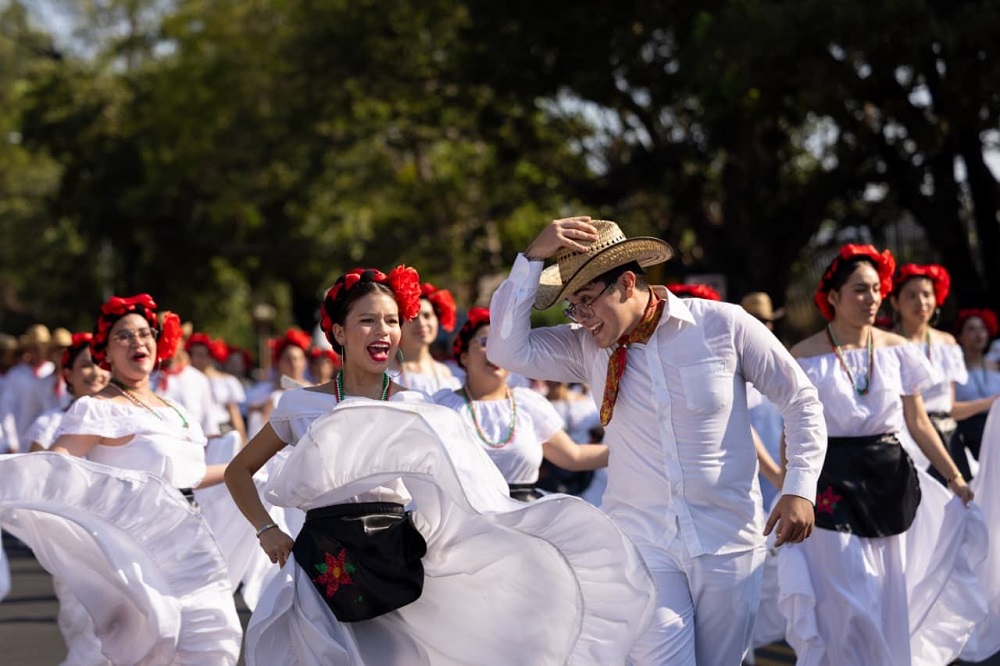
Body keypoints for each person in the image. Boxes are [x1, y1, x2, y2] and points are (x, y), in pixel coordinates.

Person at [225, 266, 654, 665]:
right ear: (338, 331)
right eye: (368, 320)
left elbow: (461, 489)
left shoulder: (415, 405)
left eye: (393, 321)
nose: (384, 331)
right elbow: (237, 471)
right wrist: (268, 530)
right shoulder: (301, 405)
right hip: (321, 566)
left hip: (392, 563)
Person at [487, 216, 828, 665]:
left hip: (726, 540)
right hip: (642, 543)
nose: (581, 317)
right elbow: (504, 350)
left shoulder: (724, 325)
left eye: (587, 300)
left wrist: (800, 486)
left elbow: (801, 400)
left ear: (627, 284)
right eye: (572, 306)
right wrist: (532, 258)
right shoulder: (584, 348)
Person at [0, 294, 242, 664]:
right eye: (124, 336)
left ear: (157, 343)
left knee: (213, 641)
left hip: (191, 544)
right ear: (106, 354)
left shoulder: (176, 411)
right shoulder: (98, 409)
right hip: (133, 552)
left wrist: (253, 465)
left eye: (144, 333)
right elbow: (55, 467)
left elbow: (190, 476)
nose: (137, 342)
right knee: (155, 641)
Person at [777, 245, 978, 665]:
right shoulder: (804, 355)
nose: (871, 299)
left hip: (889, 481)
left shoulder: (897, 349)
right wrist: (788, 491)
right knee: (848, 599)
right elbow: (791, 432)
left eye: (876, 289)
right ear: (832, 296)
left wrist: (955, 477)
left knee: (887, 593)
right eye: (859, 290)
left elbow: (919, 422)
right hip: (828, 482)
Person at [433, 307, 608, 501]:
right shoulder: (443, 407)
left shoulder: (527, 403)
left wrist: (635, 449)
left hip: (522, 517)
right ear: (464, 356)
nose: (494, 351)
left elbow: (574, 456)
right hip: (464, 517)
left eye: (501, 345)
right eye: (485, 342)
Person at [887, 264, 990, 484]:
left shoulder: (947, 343)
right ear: (895, 301)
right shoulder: (887, 345)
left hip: (949, 438)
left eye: (927, 294)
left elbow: (951, 408)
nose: (921, 302)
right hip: (908, 442)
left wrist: (991, 402)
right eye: (911, 296)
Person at [25, 332, 108, 451]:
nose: (96, 373)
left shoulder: (122, 417)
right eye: (86, 365)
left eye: (101, 364)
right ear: (68, 374)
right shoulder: (49, 424)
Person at [951, 308, 1000, 479]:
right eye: (971, 329)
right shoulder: (954, 371)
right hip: (970, 434)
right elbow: (951, 410)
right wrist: (990, 402)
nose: (978, 334)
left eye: (982, 328)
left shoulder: (995, 364)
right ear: (960, 336)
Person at [395, 281, 461, 395]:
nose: (421, 323)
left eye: (427, 316)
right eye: (413, 317)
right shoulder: (387, 372)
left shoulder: (447, 374)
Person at [187, 332, 248, 442]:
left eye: (202, 355)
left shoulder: (227, 381)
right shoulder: (187, 381)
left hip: (222, 430)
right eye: (194, 355)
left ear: (210, 356)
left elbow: (234, 414)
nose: (197, 359)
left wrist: (243, 440)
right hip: (197, 432)